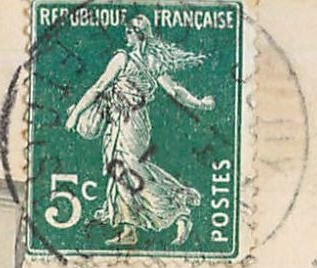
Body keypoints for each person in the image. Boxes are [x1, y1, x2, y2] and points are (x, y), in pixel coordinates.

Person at [62, 14, 215, 247]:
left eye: (129, 31)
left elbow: (99, 86)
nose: (126, 35)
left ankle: (177, 212)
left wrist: (75, 115)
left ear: (138, 33)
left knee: (130, 169)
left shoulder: (122, 59)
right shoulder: (153, 63)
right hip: (130, 121)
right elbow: (176, 92)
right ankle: (129, 227)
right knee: (122, 170)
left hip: (128, 122)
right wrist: (199, 103)